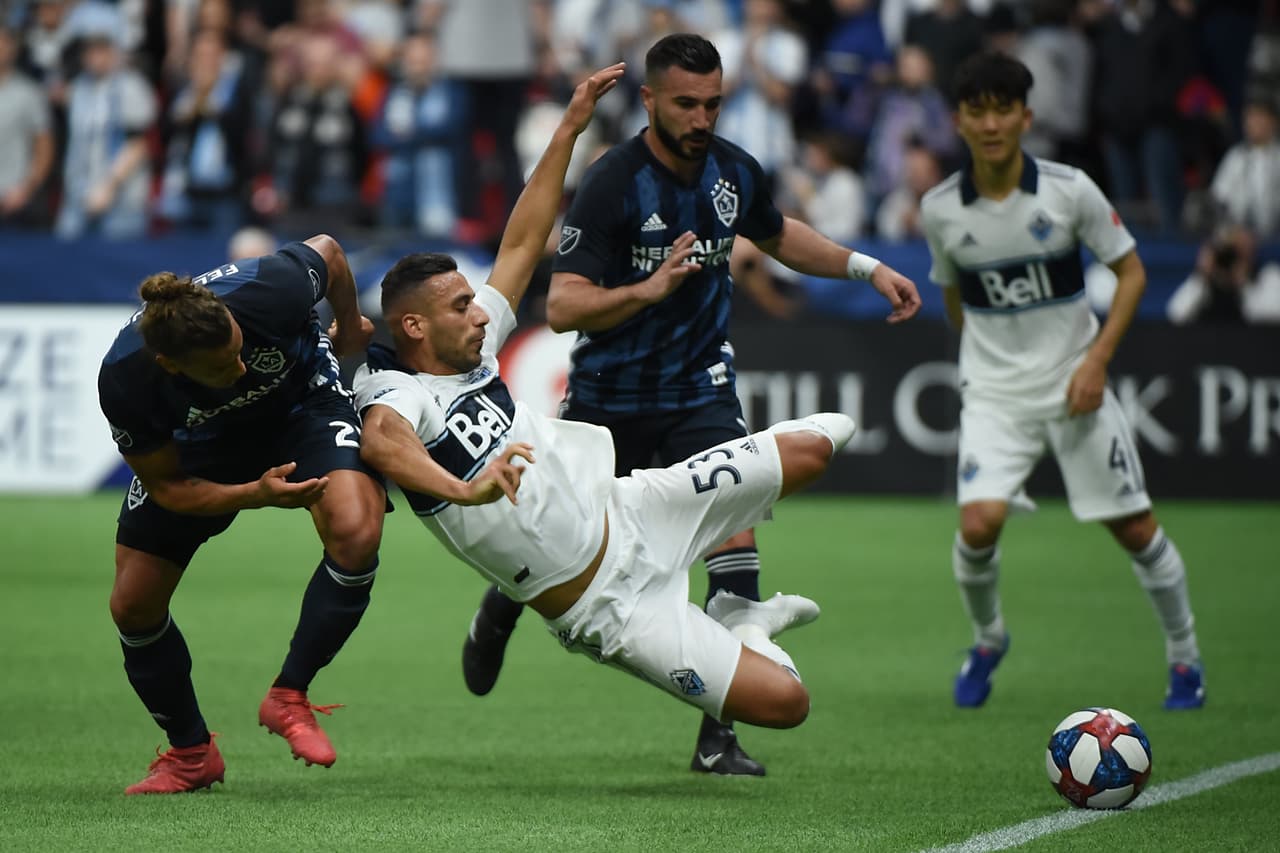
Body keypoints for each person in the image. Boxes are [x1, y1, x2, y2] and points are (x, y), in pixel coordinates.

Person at [353, 62, 856, 755]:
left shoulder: (477, 346)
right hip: (609, 608)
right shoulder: (397, 391)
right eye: (462, 306)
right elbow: (382, 442)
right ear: (414, 327)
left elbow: (522, 241)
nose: (482, 312)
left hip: (636, 508)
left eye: (474, 301)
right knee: (788, 703)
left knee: (825, 439)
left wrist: (569, 126)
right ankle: (747, 627)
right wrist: (463, 489)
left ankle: (743, 620)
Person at [462, 32, 921, 777]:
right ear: (649, 101)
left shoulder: (733, 170)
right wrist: (648, 289)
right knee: (552, 538)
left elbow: (779, 235)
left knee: (734, 552)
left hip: (700, 392)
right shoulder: (612, 182)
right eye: (686, 104)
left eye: (712, 103)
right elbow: (566, 304)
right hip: (608, 400)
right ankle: (500, 607)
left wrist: (866, 268)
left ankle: (717, 736)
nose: (702, 118)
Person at [919, 51, 1205, 711]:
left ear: (1027, 117)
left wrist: (1096, 359)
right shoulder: (940, 210)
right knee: (978, 524)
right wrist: (988, 363)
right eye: (977, 111)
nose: (991, 124)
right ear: (959, 121)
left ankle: (1186, 657)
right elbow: (956, 299)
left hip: (1077, 386)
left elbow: (1131, 272)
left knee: (1136, 530)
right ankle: (989, 640)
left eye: (1003, 110)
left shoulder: (1070, 189)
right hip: (995, 396)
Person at [99, 233, 388, 794]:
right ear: (170, 365)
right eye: (222, 365)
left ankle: (289, 694)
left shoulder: (271, 289)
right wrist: (254, 493)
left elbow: (329, 252)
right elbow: (168, 487)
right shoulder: (126, 379)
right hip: (202, 446)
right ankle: (191, 754)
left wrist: (351, 325)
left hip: (304, 404)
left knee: (356, 533)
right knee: (132, 605)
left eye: (239, 348)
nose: (240, 364)